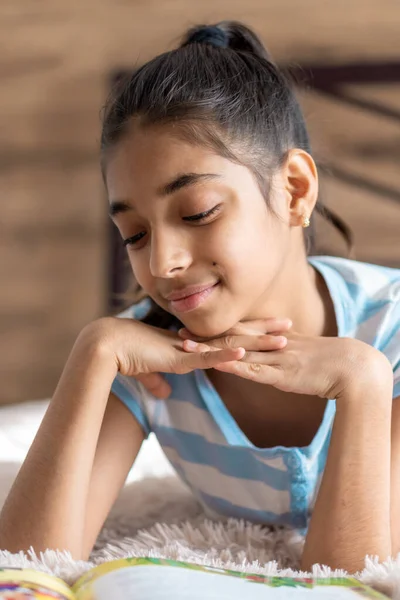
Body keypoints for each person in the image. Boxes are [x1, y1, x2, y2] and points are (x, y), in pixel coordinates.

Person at [0, 21, 399, 574]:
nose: (162, 264)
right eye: (134, 235)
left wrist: (364, 382)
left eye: (197, 213)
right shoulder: (142, 357)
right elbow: (25, 565)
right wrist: (94, 350)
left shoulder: (391, 334)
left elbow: (357, 580)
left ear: (294, 190)